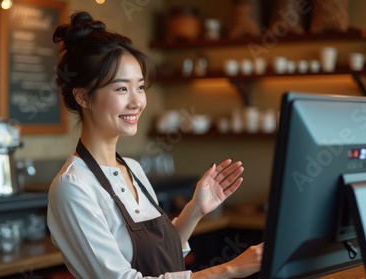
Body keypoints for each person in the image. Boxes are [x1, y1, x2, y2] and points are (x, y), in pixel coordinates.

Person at [47, 11, 264, 279]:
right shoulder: (74, 187)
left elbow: (164, 256)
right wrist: (231, 269)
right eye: (121, 89)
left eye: (140, 87)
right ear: (82, 96)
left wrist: (195, 209)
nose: (137, 101)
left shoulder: (133, 169)